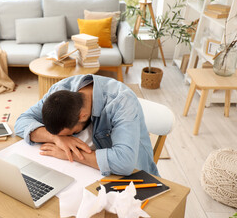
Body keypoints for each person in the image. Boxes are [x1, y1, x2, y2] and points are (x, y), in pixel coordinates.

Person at [14, 74, 159, 176]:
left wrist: (71, 154)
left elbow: (125, 163)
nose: (66, 139)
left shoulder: (122, 102)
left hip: (132, 178)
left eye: (68, 134)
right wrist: (55, 138)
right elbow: (21, 122)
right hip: (87, 171)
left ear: (82, 116)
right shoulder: (60, 91)